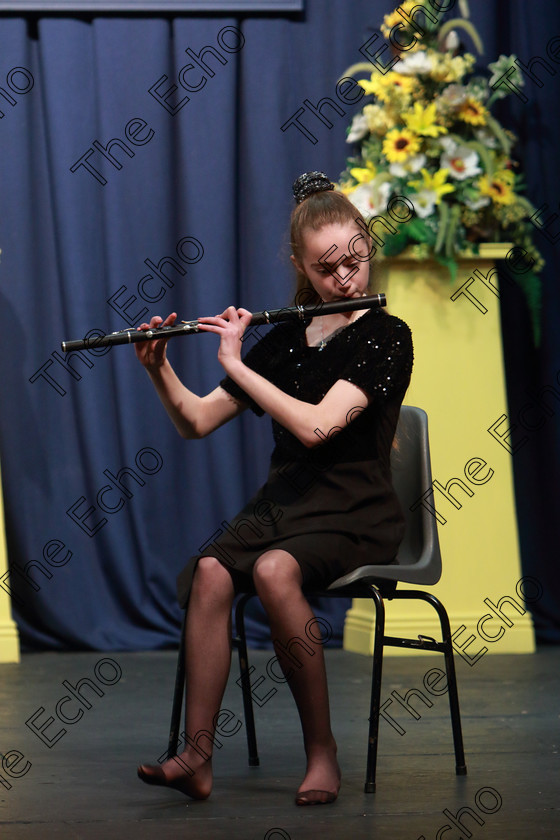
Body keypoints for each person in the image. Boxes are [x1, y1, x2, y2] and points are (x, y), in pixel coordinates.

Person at [135, 171, 413, 806]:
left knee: (274, 571)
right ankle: (197, 757)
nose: (346, 279)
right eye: (326, 269)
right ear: (300, 267)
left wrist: (234, 363)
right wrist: (161, 371)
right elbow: (197, 421)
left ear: (368, 245)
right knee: (209, 571)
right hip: (286, 500)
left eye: (355, 259)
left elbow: (318, 428)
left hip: (354, 505)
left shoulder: (386, 336)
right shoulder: (287, 338)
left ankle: (323, 753)